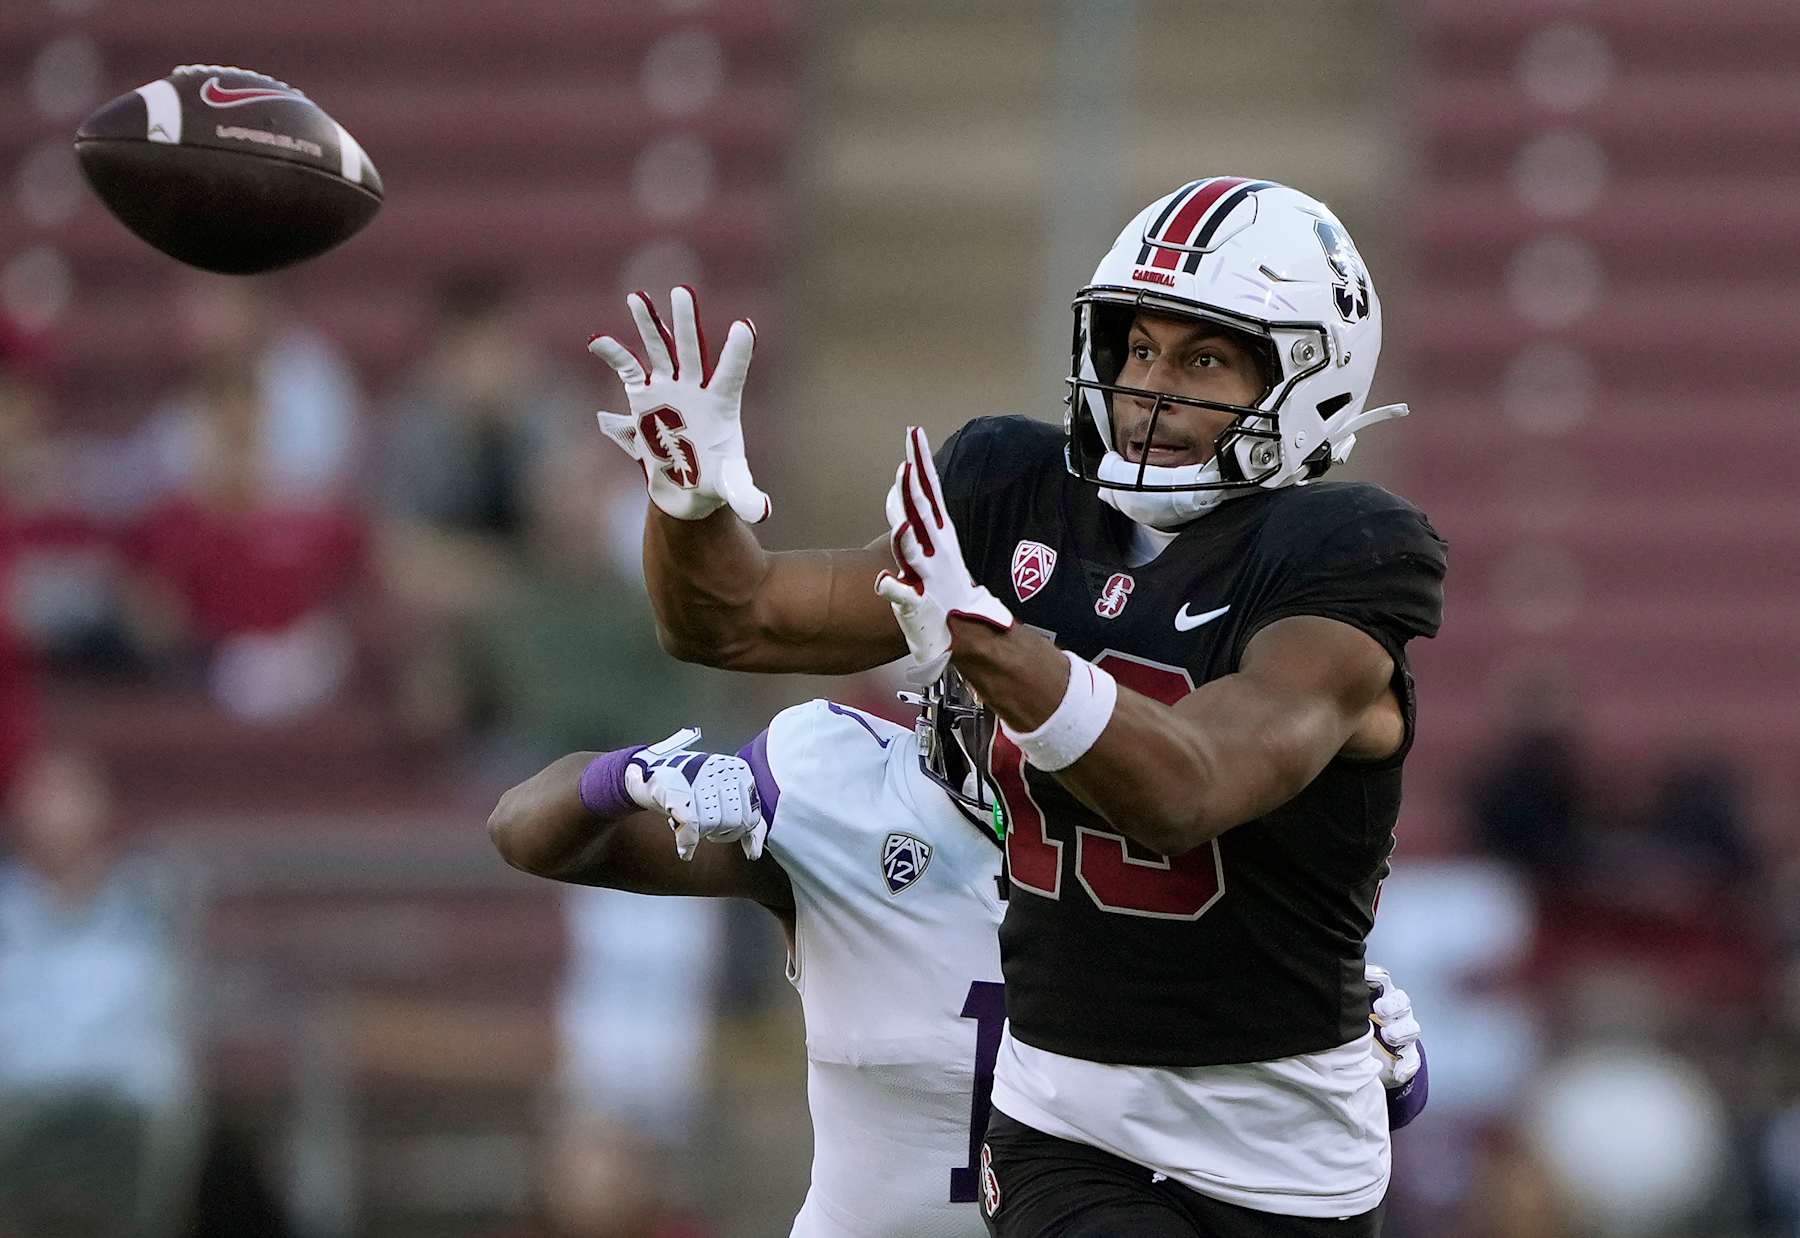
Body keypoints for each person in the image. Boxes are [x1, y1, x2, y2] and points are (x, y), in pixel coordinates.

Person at [586, 177, 1448, 1235]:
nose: (1152, 390)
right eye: (1138, 349)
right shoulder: (1016, 494)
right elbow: (737, 620)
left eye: (1204, 357)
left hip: (1285, 1144)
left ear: (1313, 375)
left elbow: (1191, 786)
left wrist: (989, 641)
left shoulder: (1345, 554)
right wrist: (692, 503)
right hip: (1062, 1115)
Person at [488, 670, 1429, 1238]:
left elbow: (1260, 1146)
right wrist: (629, 778)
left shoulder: (1199, 864)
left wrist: (1358, 1071)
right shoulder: (840, 791)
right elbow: (527, 833)